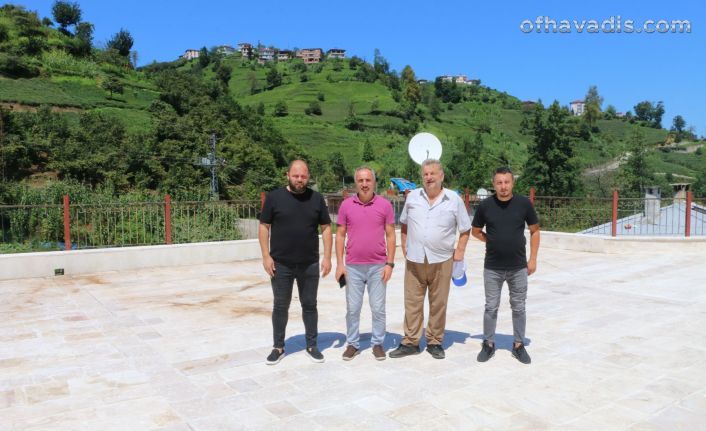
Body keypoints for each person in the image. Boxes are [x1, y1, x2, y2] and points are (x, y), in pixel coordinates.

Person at [389, 159, 471, 360]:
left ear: (442, 176)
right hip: (415, 259)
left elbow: (465, 228)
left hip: (442, 260)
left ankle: (434, 341)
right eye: (425, 174)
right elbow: (405, 224)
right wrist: (405, 244)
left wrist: (459, 251)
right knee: (412, 302)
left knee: (438, 302)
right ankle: (411, 341)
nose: (429, 177)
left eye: (433, 173)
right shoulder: (413, 197)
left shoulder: (454, 199)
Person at [259, 160, 333, 365]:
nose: (300, 180)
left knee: (309, 305)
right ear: (287, 175)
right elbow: (264, 226)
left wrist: (327, 257)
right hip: (280, 264)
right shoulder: (274, 197)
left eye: (303, 176)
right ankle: (278, 347)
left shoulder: (316, 199)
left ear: (308, 177)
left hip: (309, 263)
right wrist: (266, 255)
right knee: (280, 306)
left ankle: (312, 345)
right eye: (296, 176)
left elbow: (326, 228)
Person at [471, 166, 540, 365]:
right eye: (499, 183)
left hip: (518, 266)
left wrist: (533, 259)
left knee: (519, 307)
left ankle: (518, 345)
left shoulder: (524, 204)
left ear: (512, 183)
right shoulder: (485, 206)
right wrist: (490, 240)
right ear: (493, 184)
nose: (503, 186)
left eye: (506, 182)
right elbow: (476, 231)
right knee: (491, 307)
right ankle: (488, 343)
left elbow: (535, 231)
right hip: (492, 267)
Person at [335, 167, 396, 361]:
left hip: (378, 265)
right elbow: (340, 236)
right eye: (360, 180)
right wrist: (339, 264)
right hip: (352, 266)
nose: (364, 184)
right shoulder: (346, 205)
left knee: (378, 308)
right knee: (353, 308)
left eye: (368, 180)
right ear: (355, 183)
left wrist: (390, 264)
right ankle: (352, 343)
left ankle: (377, 343)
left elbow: (391, 235)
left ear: (374, 182)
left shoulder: (385, 205)